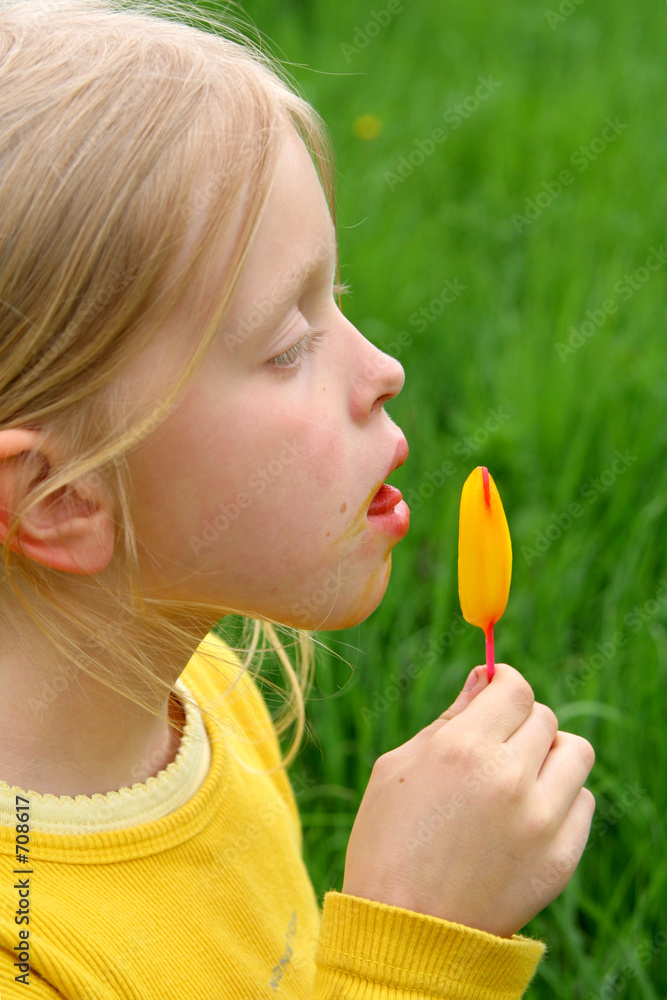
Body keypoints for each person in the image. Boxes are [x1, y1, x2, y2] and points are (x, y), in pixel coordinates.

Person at [0, 0, 595, 996]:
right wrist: (416, 936)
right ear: (64, 496)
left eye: (341, 305)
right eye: (286, 343)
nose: (387, 370)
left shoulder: (210, 696)